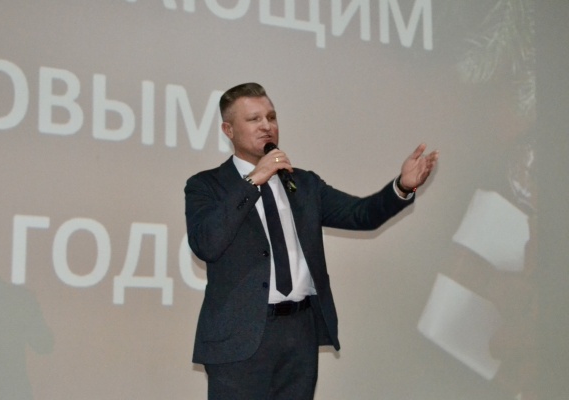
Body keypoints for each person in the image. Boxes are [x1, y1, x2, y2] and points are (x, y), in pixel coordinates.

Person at [184, 82, 438, 399]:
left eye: (271, 117)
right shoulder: (206, 186)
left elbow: (361, 215)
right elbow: (206, 243)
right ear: (228, 130)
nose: (266, 126)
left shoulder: (302, 184)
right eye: (254, 119)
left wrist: (402, 186)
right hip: (239, 339)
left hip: (299, 332)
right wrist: (253, 181)